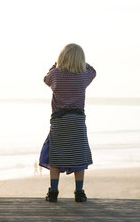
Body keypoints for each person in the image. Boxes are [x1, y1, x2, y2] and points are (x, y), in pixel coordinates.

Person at [39, 43, 96, 203]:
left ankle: (53, 191)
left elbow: (46, 78)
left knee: (55, 155)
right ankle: (79, 192)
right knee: (79, 155)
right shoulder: (83, 75)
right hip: (77, 121)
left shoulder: (55, 74)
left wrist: (56, 64)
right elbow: (93, 71)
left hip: (59, 121)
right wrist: (81, 63)